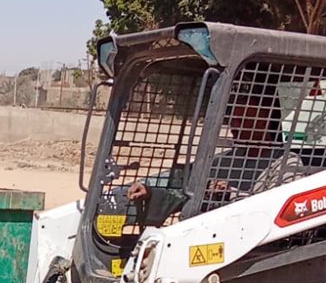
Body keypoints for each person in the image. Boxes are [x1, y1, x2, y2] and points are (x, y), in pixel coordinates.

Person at [126, 85, 304, 224]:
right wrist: (151, 193)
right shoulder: (223, 161)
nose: (233, 127)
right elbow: (187, 195)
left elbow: (283, 210)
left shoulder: (285, 163)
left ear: (263, 121)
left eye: (241, 120)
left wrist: (230, 194)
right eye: (233, 120)